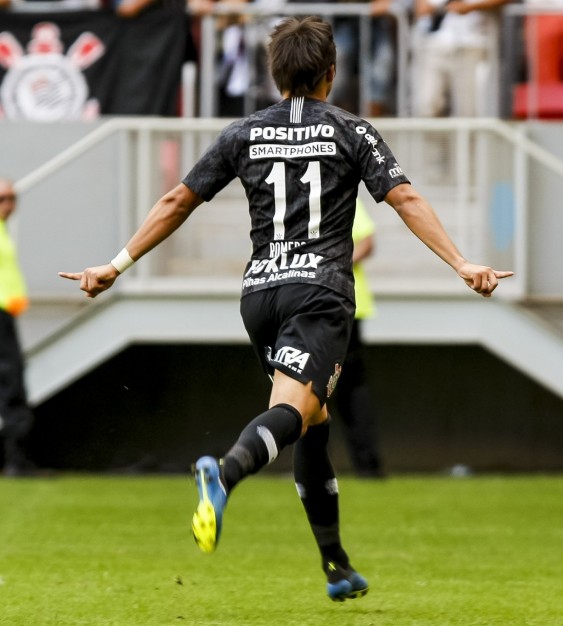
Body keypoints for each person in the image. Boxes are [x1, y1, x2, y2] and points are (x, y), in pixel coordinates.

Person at [58, 15, 512, 601]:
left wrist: (113, 266)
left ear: (275, 78)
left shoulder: (243, 132)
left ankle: (336, 565)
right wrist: (460, 262)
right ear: (331, 73)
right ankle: (223, 474)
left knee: (313, 419)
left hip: (259, 296)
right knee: (298, 412)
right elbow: (404, 196)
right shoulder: (353, 131)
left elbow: (177, 199)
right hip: (319, 292)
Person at [330, 199, 385, 478]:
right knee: (343, 389)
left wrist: (332, 268)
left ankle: (367, 464)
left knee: (348, 389)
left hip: (346, 306)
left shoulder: (343, 195)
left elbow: (367, 242)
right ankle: (366, 464)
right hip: (332, 305)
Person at [411, 0, 511, 117]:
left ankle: (467, 135)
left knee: (467, 108)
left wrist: (471, 7)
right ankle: (435, 136)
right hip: (434, 42)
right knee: (427, 105)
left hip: (472, 43)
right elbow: (421, 9)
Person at [0, 178, 36, 477]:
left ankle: (16, 458)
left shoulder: (5, 231)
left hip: (6, 313)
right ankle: (15, 460)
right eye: (2, 198)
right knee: (12, 381)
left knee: (12, 380)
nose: (8, 204)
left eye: (12, 198)